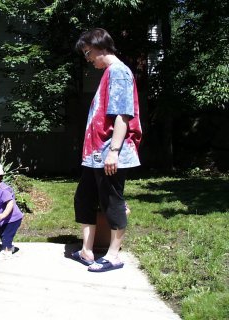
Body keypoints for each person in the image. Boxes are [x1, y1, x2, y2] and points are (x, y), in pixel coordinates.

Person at [72, 28, 142, 272]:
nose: (88, 58)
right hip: (94, 154)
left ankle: (113, 256)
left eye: (88, 53)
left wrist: (113, 151)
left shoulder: (119, 73)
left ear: (101, 47)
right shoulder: (109, 73)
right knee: (84, 198)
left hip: (108, 152)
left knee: (113, 202)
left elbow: (123, 116)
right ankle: (86, 250)